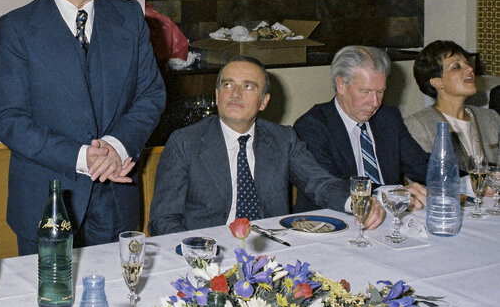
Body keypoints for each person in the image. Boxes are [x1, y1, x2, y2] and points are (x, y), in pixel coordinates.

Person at [0, 0, 165, 255]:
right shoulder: (18, 28)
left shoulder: (129, 17)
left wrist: (117, 146)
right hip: (46, 198)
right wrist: (84, 157)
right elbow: (8, 119)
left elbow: (150, 95)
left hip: (116, 194)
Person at [148, 56, 384, 236]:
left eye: (248, 86)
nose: (236, 94)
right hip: (209, 252)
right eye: (228, 85)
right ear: (217, 95)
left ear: (264, 102)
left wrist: (357, 202)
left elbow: (319, 183)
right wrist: (197, 253)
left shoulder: (283, 139)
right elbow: (163, 220)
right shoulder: (185, 142)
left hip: (272, 249)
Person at [293, 45, 430, 214]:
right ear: (341, 85)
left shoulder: (388, 118)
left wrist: (464, 179)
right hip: (334, 221)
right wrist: (395, 195)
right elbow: (332, 187)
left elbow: (422, 167)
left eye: (380, 92)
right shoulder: (312, 126)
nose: (375, 102)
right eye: (366, 92)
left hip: (391, 220)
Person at [405, 40, 499, 171]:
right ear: (437, 82)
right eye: (457, 67)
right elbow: (424, 178)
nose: (470, 68)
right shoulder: (419, 125)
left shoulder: (490, 118)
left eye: (467, 63)